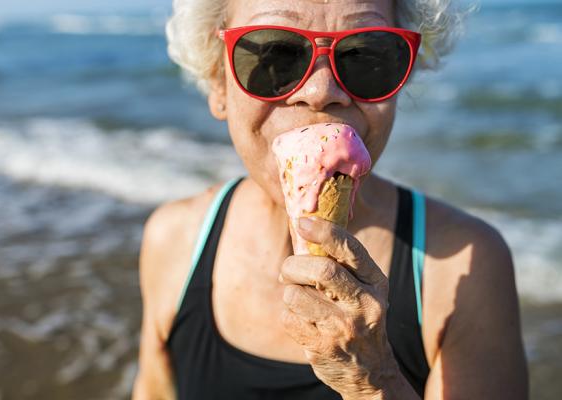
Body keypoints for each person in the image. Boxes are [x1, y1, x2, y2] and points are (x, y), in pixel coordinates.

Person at [133, 0, 529, 398]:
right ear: (219, 81)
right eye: (276, 54)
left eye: (364, 55)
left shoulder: (465, 265)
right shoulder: (175, 240)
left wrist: (374, 380)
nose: (321, 92)